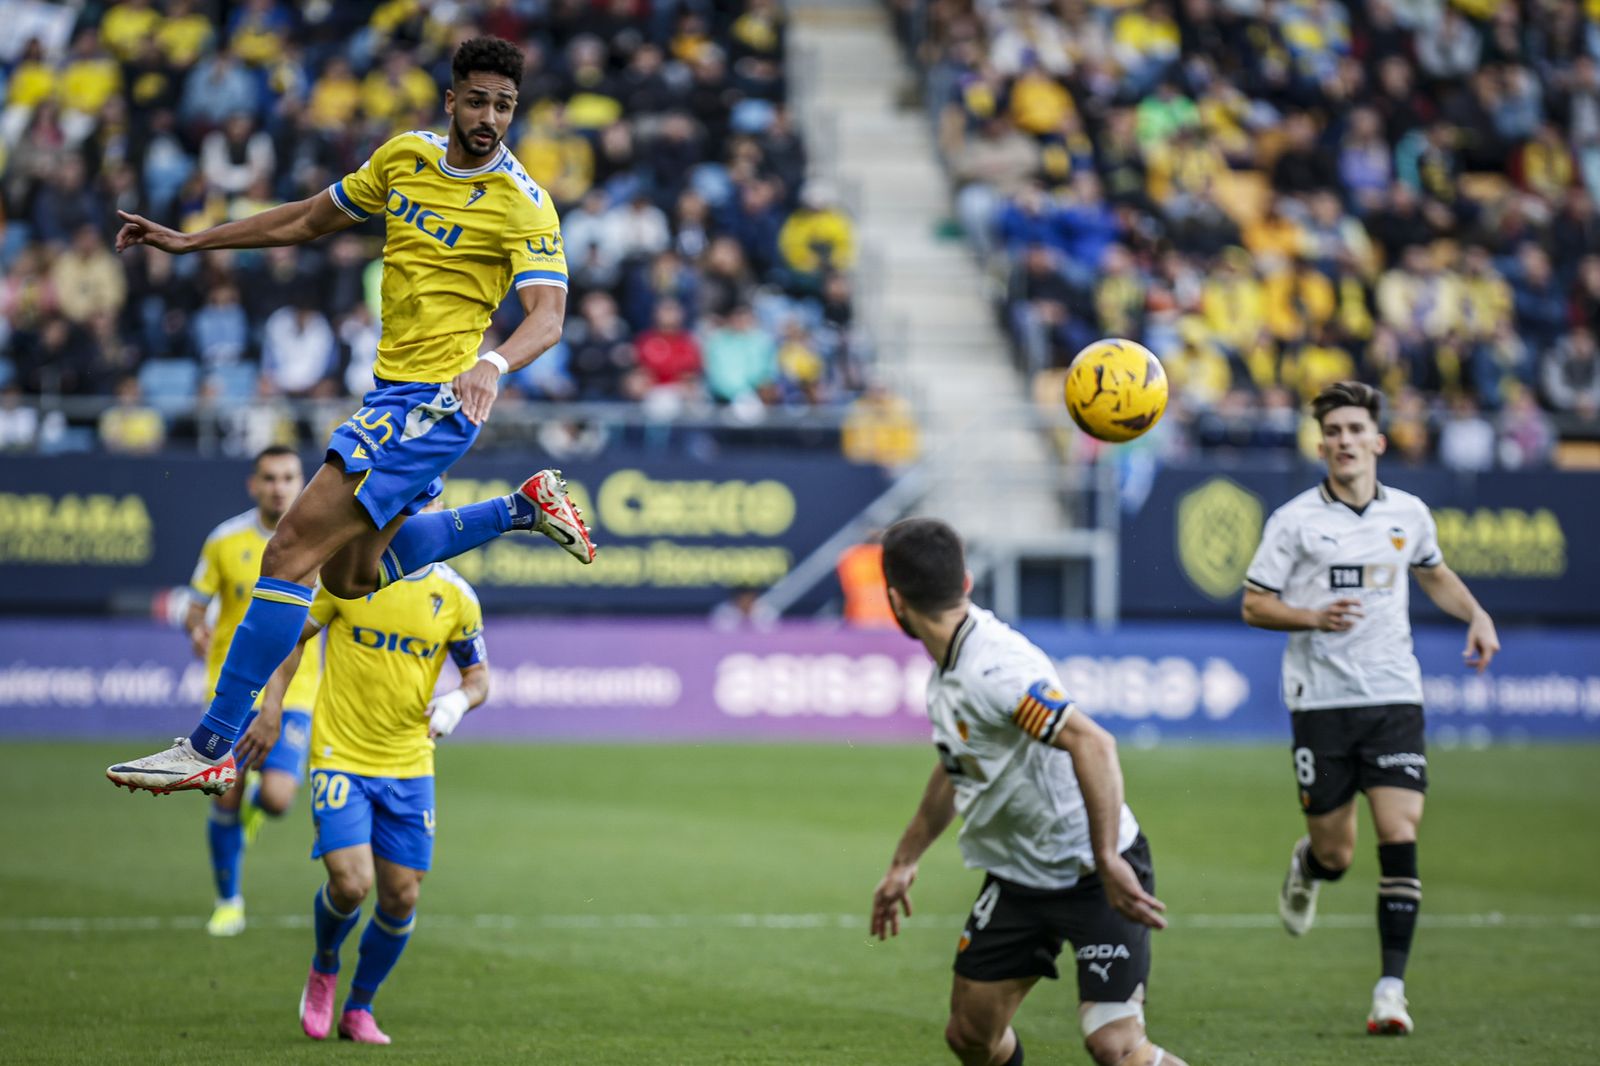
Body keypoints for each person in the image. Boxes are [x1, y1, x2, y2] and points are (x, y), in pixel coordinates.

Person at [106, 36, 594, 797]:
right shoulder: (404, 158)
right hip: (392, 395)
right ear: (451, 98)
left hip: (437, 401)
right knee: (351, 573)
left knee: (286, 552)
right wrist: (195, 241)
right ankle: (520, 510)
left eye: (504, 105)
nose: (490, 118)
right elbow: (307, 219)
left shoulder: (524, 203)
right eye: (478, 100)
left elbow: (550, 316)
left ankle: (211, 743)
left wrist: (492, 365)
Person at [869, 518, 1189, 1066]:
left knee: (1113, 1043)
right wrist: (904, 861)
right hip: (1020, 879)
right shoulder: (948, 674)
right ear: (966, 581)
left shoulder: (995, 669)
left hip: (1092, 875)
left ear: (894, 599)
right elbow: (956, 767)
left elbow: (1094, 744)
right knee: (971, 1036)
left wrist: (1108, 857)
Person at [1241, 380, 1501, 1037]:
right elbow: (1253, 604)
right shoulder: (1295, 521)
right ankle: (1308, 867)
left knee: (1400, 835)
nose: (1343, 441)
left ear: (1378, 442)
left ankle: (1391, 991)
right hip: (1320, 702)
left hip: (1394, 697)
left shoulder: (1408, 514)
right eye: (1332, 432)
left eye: (1355, 430)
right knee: (1337, 854)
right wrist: (1311, 616)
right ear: (1322, 444)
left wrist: (1476, 614)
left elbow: (1433, 571)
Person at [247, 519, 488, 1045]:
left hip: (409, 763)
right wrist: (271, 708)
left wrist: (457, 701)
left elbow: (478, 677)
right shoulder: (347, 575)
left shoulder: (456, 597)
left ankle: (360, 1007)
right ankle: (325, 965)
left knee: (401, 896)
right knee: (352, 884)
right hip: (341, 756)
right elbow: (292, 641)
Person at [185, 445, 323, 937]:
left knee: (279, 801)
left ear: (302, 482)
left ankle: (257, 804)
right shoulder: (225, 540)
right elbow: (195, 606)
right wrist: (197, 629)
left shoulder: (317, 543)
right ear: (254, 484)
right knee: (224, 797)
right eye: (269, 478)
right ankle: (228, 901)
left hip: (296, 691)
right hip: (230, 693)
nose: (279, 487)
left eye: (288, 477)